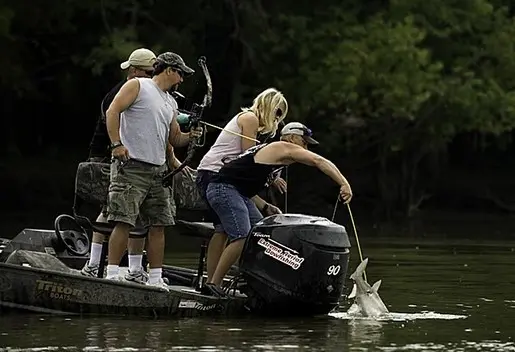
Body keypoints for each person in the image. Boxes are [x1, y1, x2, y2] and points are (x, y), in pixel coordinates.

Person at [203, 122, 353, 296]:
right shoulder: (282, 146)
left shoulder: (274, 154)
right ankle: (214, 284)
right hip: (223, 189)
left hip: (237, 192)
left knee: (260, 235)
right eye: (304, 142)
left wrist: (265, 206)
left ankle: (251, 280)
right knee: (242, 236)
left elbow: (242, 181)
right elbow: (318, 160)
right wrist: (344, 183)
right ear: (291, 138)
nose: (305, 148)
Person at [105, 51, 202, 289]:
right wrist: (116, 144)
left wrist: (192, 136)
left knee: (159, 224)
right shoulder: (138, 85)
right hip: (132, 166)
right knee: (123, 220)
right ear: (169, 70)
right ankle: (112, 273)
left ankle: (156, 278)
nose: (181, 80)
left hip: (159, 171)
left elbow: (174, 138)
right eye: (180, 74)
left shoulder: (171, 102)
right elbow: (112, 111)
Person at [81, 48, 175, 283]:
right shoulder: (129, 88)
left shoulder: (161, 97)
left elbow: (159, 131)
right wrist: (116, 145)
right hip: (107, 155)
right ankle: (94, 264)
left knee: (139, 218)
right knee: (111, 212)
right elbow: (114, 116)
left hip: (145, 164)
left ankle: (135, 269)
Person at [195, 88, 288, 285]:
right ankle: (215, 283)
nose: (278, 119)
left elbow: (243, 178)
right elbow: (250, 160)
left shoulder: (252, 123)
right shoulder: (250, 119)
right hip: (213, 175)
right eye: (278, 113)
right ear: (269, 106)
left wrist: (263, 203)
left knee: (221, 230)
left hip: (214, 176)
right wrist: (271, 177)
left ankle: (213, 281)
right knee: (240, 233)